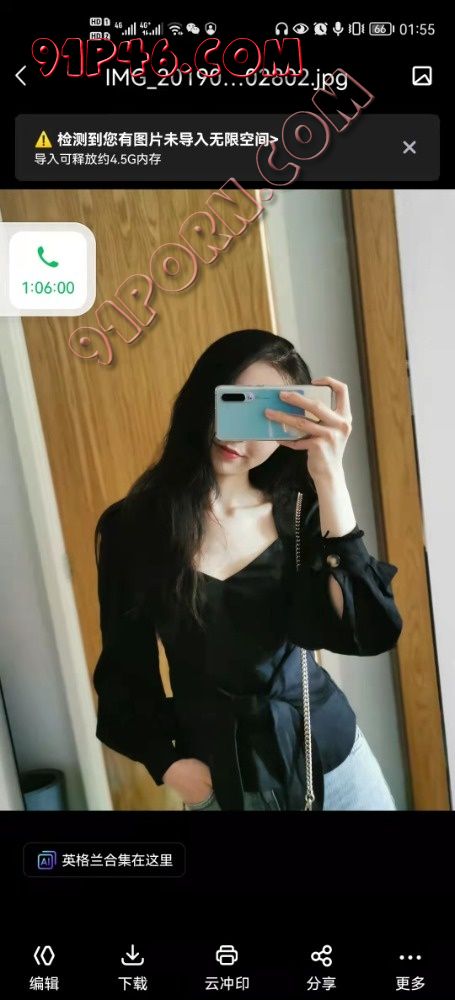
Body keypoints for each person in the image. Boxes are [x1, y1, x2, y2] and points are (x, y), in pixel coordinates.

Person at [93, 329, 403, 811]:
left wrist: (330, 476)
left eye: (266, 419)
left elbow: (367, 628)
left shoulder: (300, 515)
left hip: (332, 761)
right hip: (219, 781)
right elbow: (124, 672)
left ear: (290, 429)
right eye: (234, 404)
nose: (238, 436)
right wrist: (169, 767)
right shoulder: (132, 528)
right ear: (202, 398)